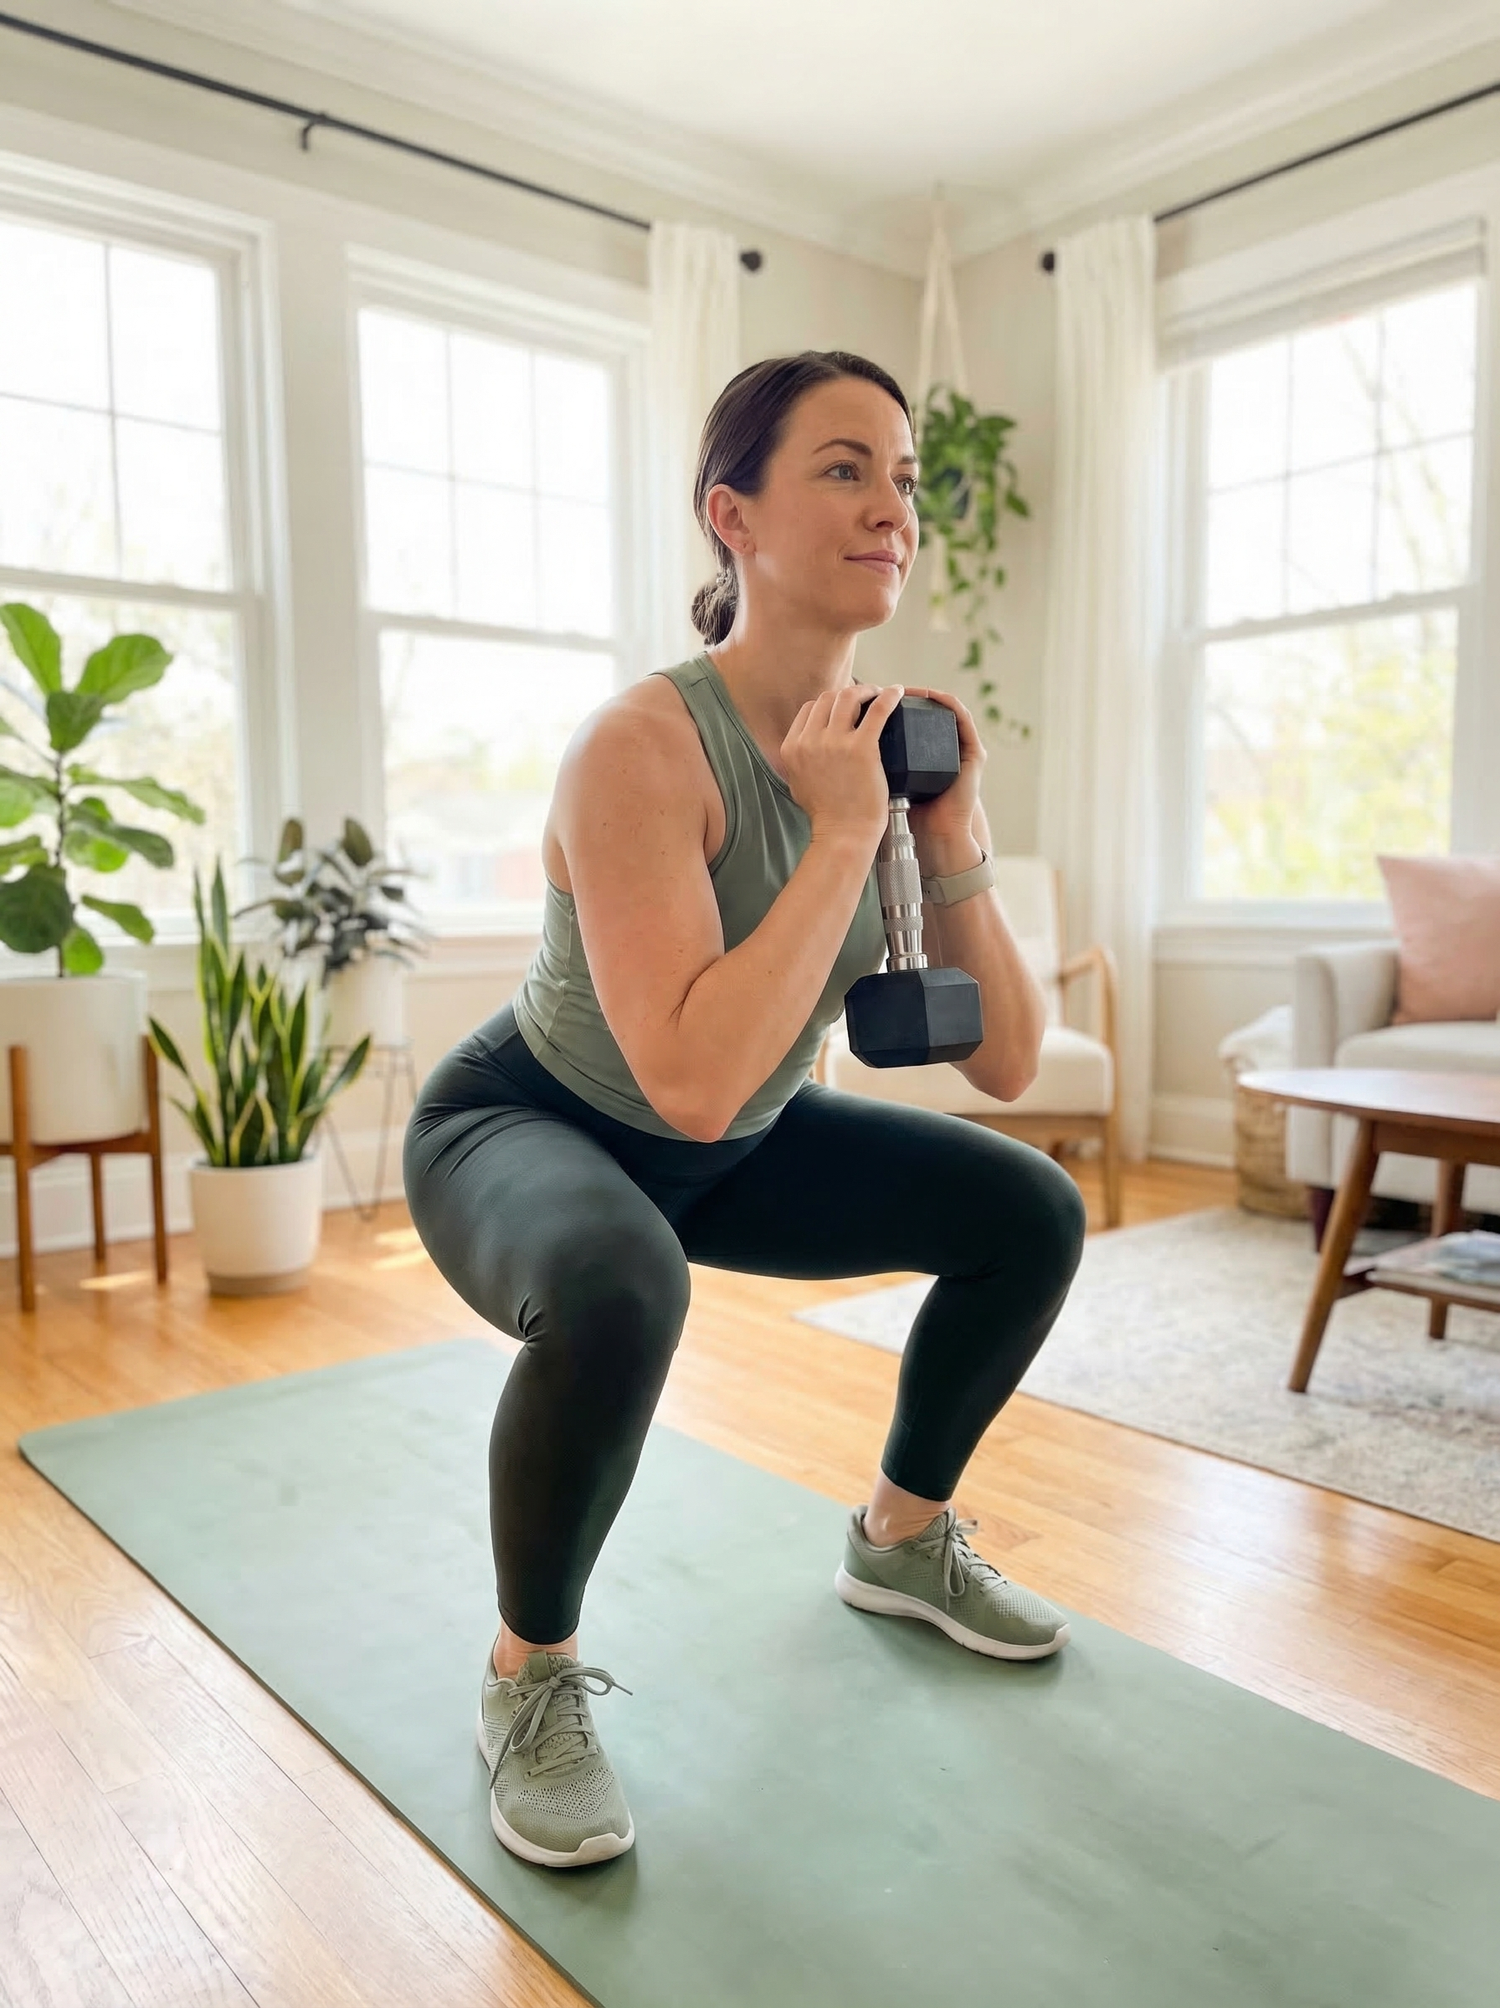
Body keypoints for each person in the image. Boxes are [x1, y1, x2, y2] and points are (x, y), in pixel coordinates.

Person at [403, 350, 1087, 1872]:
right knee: (616, 1279)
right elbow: (688, 1077)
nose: (891, 507)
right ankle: (529, 1676)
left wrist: (951, 830)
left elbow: (1013, 1067)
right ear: (737, 515)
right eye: (843, 468)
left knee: (1028, 1210)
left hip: (741, 1144)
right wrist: (846, 829)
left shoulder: (885, 754)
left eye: (903, 477)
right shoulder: (642, 745)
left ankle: (902, 1541)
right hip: (538, 1124)